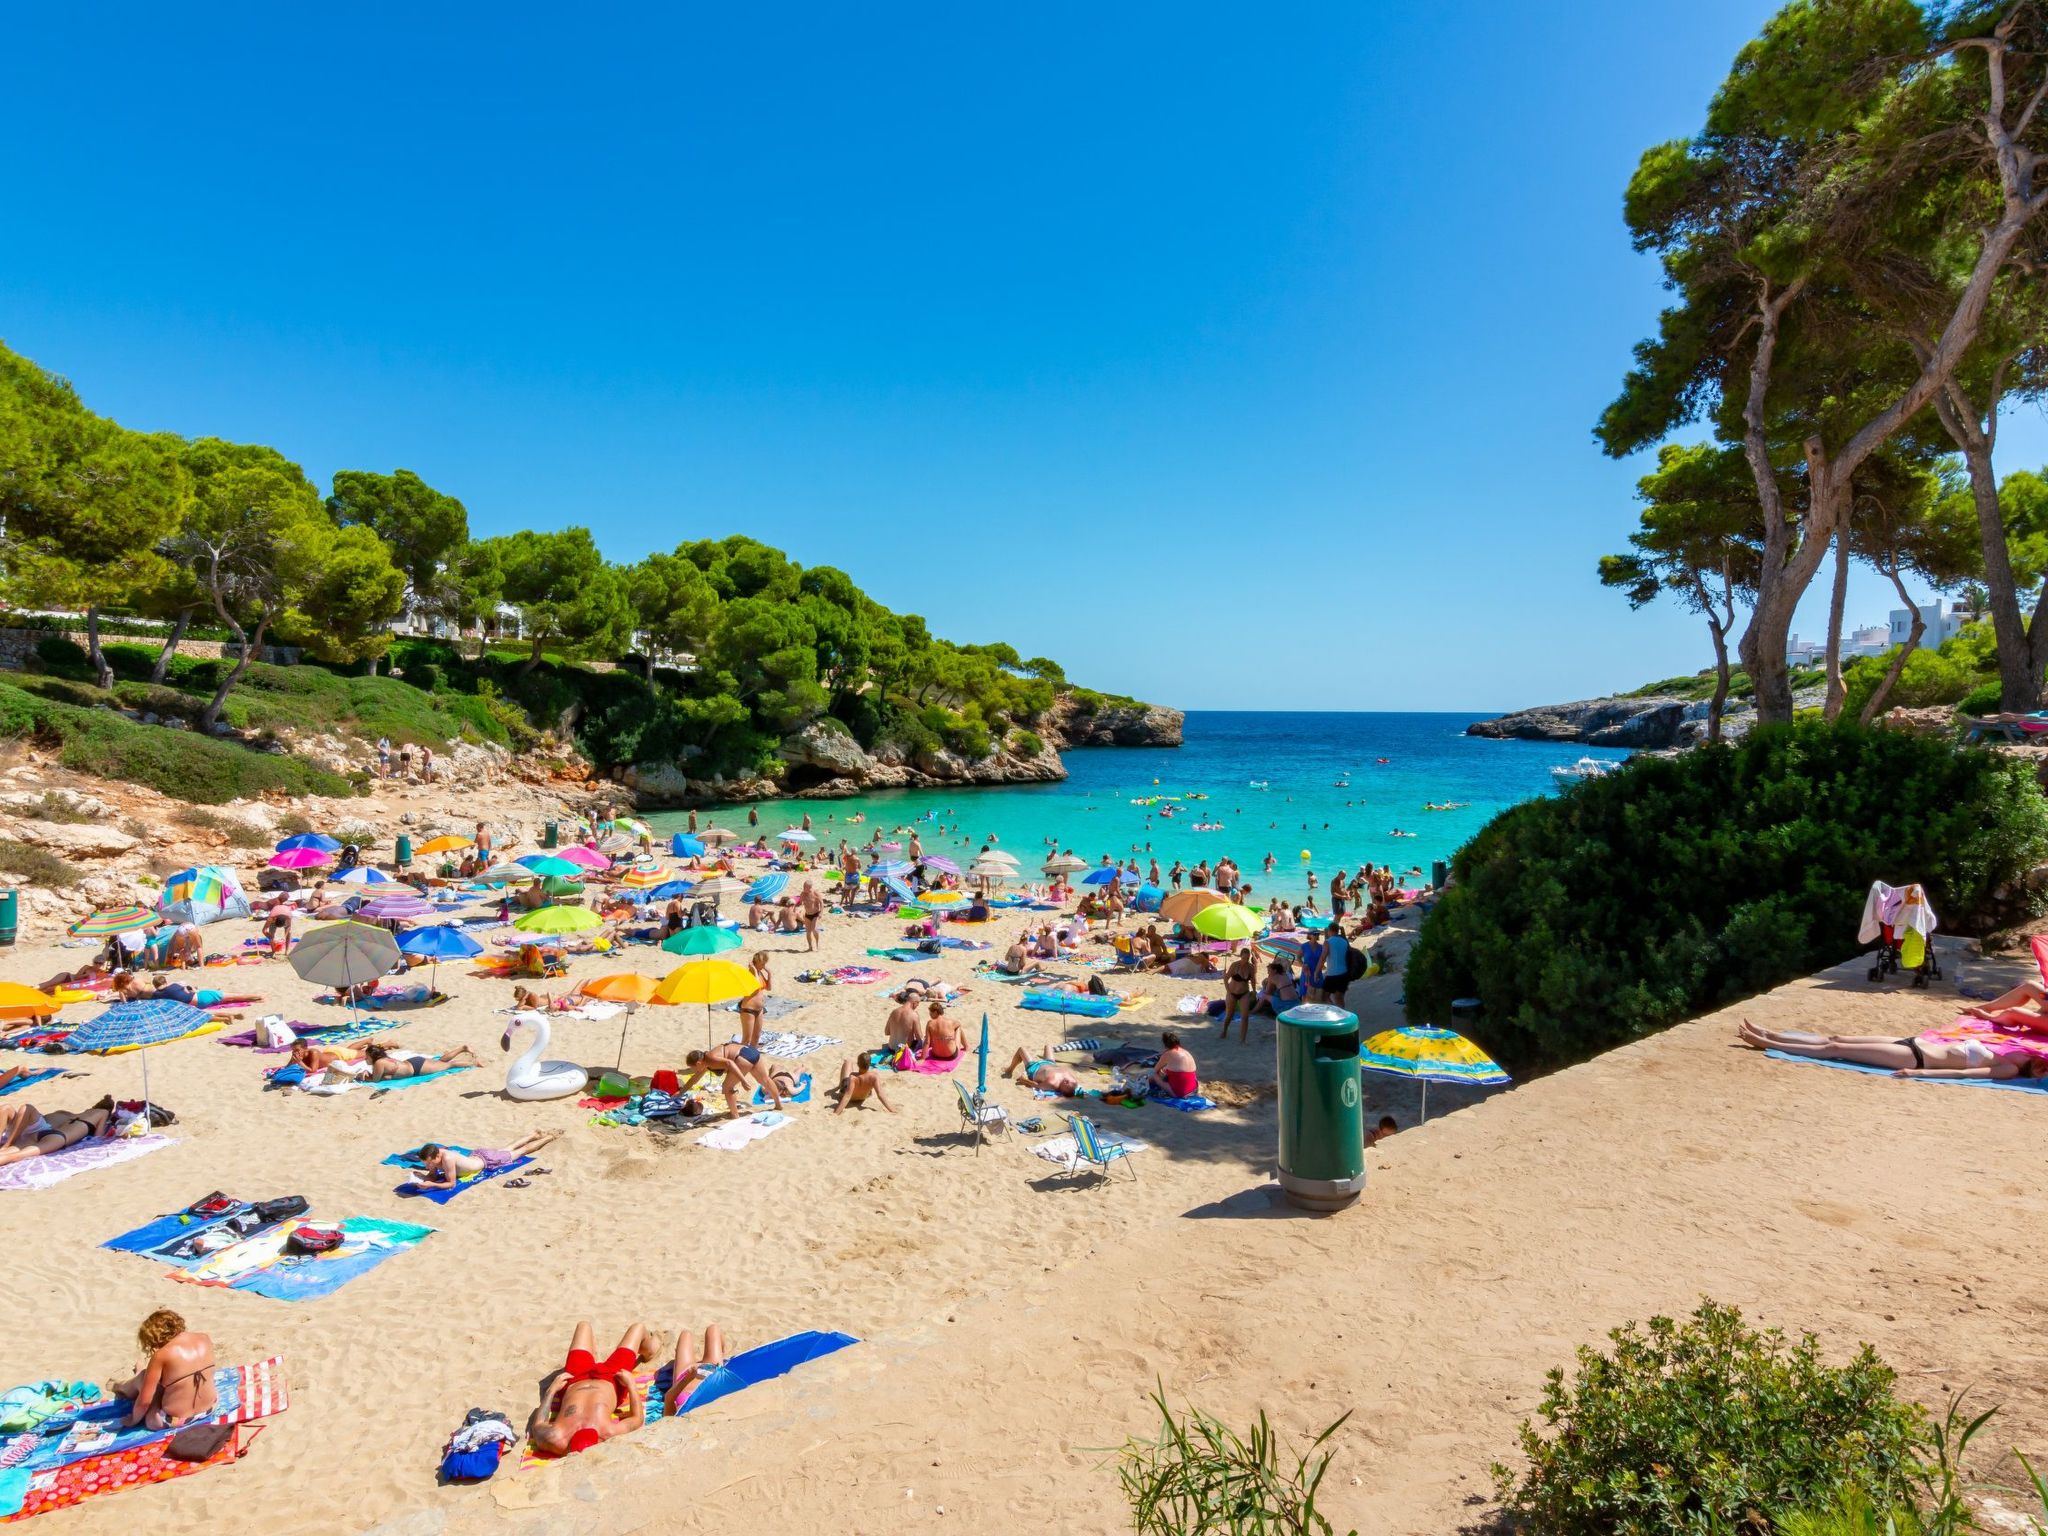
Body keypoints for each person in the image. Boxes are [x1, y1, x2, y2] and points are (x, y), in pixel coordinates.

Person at [1735, 1019, 2048, 1079]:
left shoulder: (2009, 1069)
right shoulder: (2017, 1055)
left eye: (2043, 1068)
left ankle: (1770, 1043)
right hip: (1913, 1041)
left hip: (1915, 1057)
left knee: (1835, 1050)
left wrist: (1917, 1074)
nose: (2040, 1065)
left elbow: (1963, 1073)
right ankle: (1771, 1033)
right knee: (1837, 1038)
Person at [528, 1321, 663, 1457]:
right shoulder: (607, 1432)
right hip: (613, 1378)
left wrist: (552, 1390)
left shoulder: (555, 1438)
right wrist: (631, 1385)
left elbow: (538, 1424)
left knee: (583, 1326)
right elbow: (637, 1419)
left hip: (575, 1378)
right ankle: (650, 1349)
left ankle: (592, 1357)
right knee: (638, 1328)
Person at [110, 1308, 217, 1429]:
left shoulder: (161, 1355)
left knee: (143, 1378)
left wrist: (133, 1420)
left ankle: (120, 1386)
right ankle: (130, 1379)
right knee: (169, 1380)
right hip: (210, 1408)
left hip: (174, 1420)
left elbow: (144, 1403)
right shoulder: (204, 1338)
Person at [408, 1132, 558, 1188]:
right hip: (479, 1155)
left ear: (437, 1156)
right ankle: (533, 1134)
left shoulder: (447, 1158)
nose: (428, 1165)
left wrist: (431, 1184)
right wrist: (423, 1178)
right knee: (508, 1148)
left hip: (488, 1161)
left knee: (521, 1151)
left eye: (429, 1163)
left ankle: (549, 1137)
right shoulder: (434, 1155)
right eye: (426, 1163)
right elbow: (432, 1175)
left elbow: (451, 1183)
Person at [681, 1042, 787, 1114]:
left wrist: (743, 1081)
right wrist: (680, 1093)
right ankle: (778, 1105)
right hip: (751, 1051)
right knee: (765, 1080)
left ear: (698, 1063)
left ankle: (735, 1115)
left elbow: (730, 1063)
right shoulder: (706, 1060)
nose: (693, 1070)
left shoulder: (711, 1060)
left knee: (727, 1087)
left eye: (692, 1068)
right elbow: (694, 1079)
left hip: (741, 1058)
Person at [0, 1100, 114, 1166]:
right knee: (15, 1156)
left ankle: (6, 1146)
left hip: (40, 1133)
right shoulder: (103, 1112)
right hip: (57, 1138)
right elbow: (98, 1136)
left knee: (8, 1151)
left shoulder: (69, 1114)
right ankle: (7, 1146)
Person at [661, 1324, 730, 1414]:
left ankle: (720, 1353)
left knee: (685, 1334)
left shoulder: (677, 1415)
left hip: (686, 1375)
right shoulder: (711, 1411)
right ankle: (722, 1352)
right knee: (713, 1329)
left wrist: (687, 1378)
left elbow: (668, 1398)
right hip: (711, 1370)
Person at [362, 1042, 482, 1080]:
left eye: (367, 1057)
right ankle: (462, 1048)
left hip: (417, 1069)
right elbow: (383, 1076)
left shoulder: (378, 1063)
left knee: (449, 1065)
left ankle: (474, 1063)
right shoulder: (383, 1060)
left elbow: (375, 1080)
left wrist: (364, 1076)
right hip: (414, 1063)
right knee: (440, 1061)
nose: (365, 1058)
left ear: (373, 1057)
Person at [1004, 1047, 1083, 1097]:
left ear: (1061, 1090)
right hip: (1050, 1063)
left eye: (1066, 1085)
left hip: (1034, 1067)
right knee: (1048, 1046)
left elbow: (1037, 1086)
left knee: (1021, 1049)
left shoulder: (1052, 1083)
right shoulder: (1074, 1082)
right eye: (1069, 1082)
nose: (1067, 1081)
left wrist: (1024, 1080)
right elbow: (1075, 1088)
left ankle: (1010, 1069)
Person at [832, 1057, 897, 1114]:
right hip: (864, 1097)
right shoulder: (874, 1076)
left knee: (848, 1062)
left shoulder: (853, 1077)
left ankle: (840, 1085)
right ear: (869, 1064)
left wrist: (836, 1113)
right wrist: (892, 1110)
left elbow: (847, 1096)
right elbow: (880, 1094)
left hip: (851, 1097)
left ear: (858, 1064)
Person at [1147, 1032, 1199, 1100]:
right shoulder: (1186, 1052)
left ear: (1165, 1044)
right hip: (1193, 1090)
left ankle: (1143, 1084)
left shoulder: (1168, 1054)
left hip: (1180, 1093)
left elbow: (1155, 1070)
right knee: (1167, 1072)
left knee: (1154, 1075)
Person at [736, 952, 772, 1049]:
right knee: (746, 1040)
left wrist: (769, 974)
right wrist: (754, 970)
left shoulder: (760, 973)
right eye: (762, 963)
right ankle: (740, 1056)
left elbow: (769, 988)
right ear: (756, 962)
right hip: (748, 1010)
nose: (764, 966)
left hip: (759, 1010)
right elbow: (756, 985)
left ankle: (752, 1056)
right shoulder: (750, 973)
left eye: (765, 963)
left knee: (756, 1037)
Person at [1221, 949, 1256, 1039]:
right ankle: (1224, 1030)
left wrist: (1254, 991)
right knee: (1229, 1015)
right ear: (1240, 956)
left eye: (1247, 958)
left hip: (1244, 993)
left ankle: (1243, 1039)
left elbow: (1253, 980)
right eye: (1244, 958)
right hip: (1232, 993)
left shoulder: (1251, 967)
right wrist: (1228, 992)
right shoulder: (1234, 965)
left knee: (1245, 1016)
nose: (1246, 960)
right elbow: (1226, 979)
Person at [800, 879, 823, 952]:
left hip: (815, 914)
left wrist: (821, 913)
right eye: (803, 886)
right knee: (808, 932)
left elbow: (821, 903)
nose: (804, 888)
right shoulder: (802, 894)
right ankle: (810, 947)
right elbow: (801, 904)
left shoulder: (815, 893)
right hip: (807, 914)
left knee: (814, 929)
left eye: (805, 887)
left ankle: (817, 945)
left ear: (810, 887)